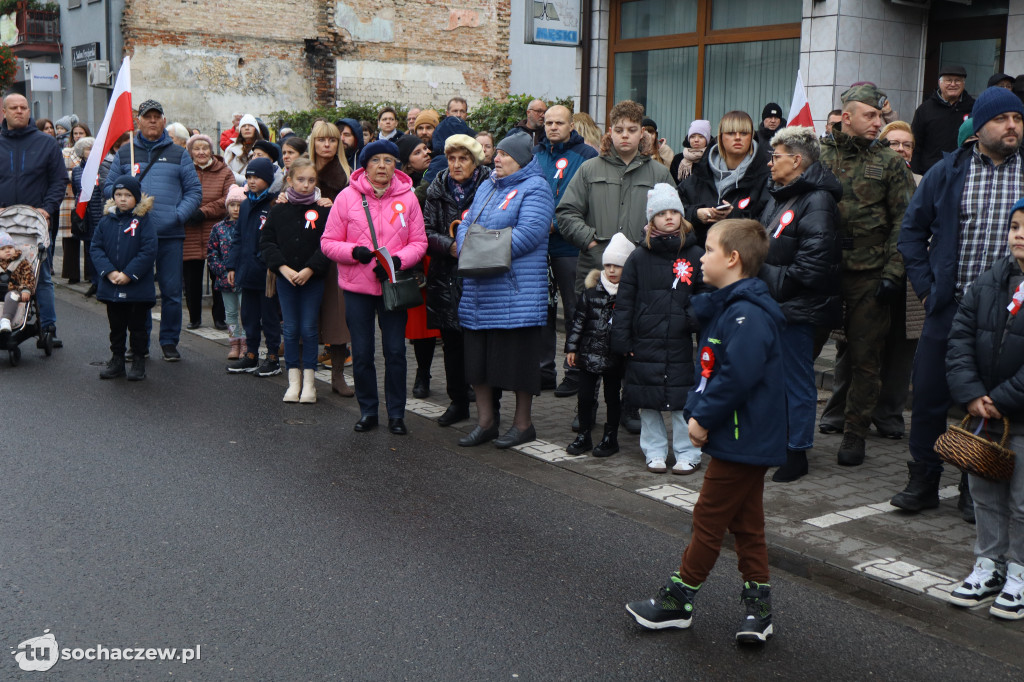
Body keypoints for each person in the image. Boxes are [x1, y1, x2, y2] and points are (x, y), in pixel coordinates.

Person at [625, 218, 785, 644]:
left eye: (709, 250)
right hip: (740, 434)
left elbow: (736, 377)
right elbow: (708, 373)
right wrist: (698, 409)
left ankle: (678, 600)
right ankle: (759, 610)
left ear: (732, 259)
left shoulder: (747, 315)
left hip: (743, 434)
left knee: (708, 517)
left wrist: (701, 419)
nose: (701, 257)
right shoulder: (729, 309)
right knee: (747, 524)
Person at [893, 86, 1024, 514]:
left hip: (1010, 314)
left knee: (992, 398)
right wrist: (928, 288)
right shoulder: (947, 172)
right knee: (930, 394)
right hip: (948, 307)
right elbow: (912, 233)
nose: (1012, 126)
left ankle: (976, 485)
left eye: (1018, 119)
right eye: (1003, 119)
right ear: (979, 126)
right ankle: (924, 480)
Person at [819, 84, 915, 466]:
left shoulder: (890, 162)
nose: (879, 123)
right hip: (821, 271)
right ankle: (791, 430)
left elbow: (905, 222)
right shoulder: (818, 154)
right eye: (871, 116)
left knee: (865, 358)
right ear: (847, 117)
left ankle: (854, 434)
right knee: (799, 351)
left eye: (881, 116)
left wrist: (893, 273)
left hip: (869, 274)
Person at [945, 197, 1024, 619]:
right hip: (984, 414)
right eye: (1015, 226)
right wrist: (972, 393)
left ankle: (1020, 572)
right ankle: (988, 565)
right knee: (985, 495)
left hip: (1017, 416)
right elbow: (959, 337)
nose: (1020, 234)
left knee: (1022, 502)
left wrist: (1002, 399)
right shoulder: (990, 279)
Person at [320, 139, 427, 434]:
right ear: (365, 165)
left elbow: (419, 243)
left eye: (389, 160)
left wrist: (397, 260)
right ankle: (368, 411)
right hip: (357, 288)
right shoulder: (346, 198)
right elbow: (328, 243)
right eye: (376, 160)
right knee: (364, 353)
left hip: (393, 285)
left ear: (397, 166)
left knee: (395, 352)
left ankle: (396, 415)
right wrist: (353, 252)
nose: (382, 166)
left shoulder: (409, 198)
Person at [454, 133, 554, 448]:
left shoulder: (536, 188)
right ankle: (486, 424)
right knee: (478, 363)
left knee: (518, 366)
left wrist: (478, 246)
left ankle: (523, 425)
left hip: (516, 295)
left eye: (504, 155)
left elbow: (529, 233)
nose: (496, 159)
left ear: (522, 159)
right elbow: (465, 226)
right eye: (496, 153)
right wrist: (470, 242)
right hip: (479, 294)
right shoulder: (487, 185)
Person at [756, 126, 842, 482]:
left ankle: (797, 451)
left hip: (797, 307)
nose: (770, 163)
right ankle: (780, 441)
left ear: (797, 160)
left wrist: (767, 280)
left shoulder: (817, 199)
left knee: (797, 382)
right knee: (776, 380)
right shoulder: (782, 195)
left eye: (776, 157)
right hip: (777, 304)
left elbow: (813, 264)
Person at [611, 184, 706, 473]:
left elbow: (705, 294)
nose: (668, 218)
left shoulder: (694, 254)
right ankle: (654, 451)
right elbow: (625, 300)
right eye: (661, 213)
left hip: (679, 341)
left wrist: (691, 317)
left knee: (681, 402)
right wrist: (622, 338)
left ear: (682, 216)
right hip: (645, 341)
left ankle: (687, 453)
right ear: (651, 220)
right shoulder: (639, 257)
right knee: (649, 402)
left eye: (673, 212)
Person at [104, 99, 203, 362]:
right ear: (138, 120)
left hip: (170, 235)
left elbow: (194, 191)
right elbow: (108, 187)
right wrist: (124, 203)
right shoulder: (126, 153)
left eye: (156, 117)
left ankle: (169, 341)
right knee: (140, 291)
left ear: (163, 121)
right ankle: (139, 344)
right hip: (134, 235)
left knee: (171, 292)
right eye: (146, 116)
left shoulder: (179, 153)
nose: (151, 121)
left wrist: (178, 215)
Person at [557, 100, 675, 292]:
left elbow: (675, 220)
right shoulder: (589, 169)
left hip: (643, 267)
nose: (625, 135)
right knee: (589, 321)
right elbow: (566, 213)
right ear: (611, 132)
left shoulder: (659, 174)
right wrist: (591, 243)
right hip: (595, 267)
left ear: (642, 132)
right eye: (619, 130)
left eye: (632, 129)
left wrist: (650, 246)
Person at [422, 133, 491, 426]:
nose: (456, 164)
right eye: (452, 158)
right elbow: (424, 230)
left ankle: (488, 410)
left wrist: (470, 245)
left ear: (474, 162)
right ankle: (457, 401)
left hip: (479, 275)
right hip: (445, 274)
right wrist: (449, 245)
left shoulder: (490, 187)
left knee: (480, 344)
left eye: (463, 158)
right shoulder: (436, 188)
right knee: (451, 343)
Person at [534, 103, 598, 396]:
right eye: (548, 123)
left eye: (559, 122)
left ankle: (575, 371)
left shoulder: (587, 156)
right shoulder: (535, 155)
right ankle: (545, 370)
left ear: (572, 125)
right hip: (539, 247)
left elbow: (588, 203)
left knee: (575, 311)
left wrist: (557, 225)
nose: (553, 127)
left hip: (571, 248)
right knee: (544, 310)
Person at [0, 93, 73, 349]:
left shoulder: (46, 143)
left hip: (35, 222)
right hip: (2, 223)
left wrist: (48, 209)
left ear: (29, 111)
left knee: (39, 274)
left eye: (23, 107)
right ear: (5, 112)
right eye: (14, 108)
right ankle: (5, 320)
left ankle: (48, 326)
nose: (19, 111)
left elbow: (58, 180)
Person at [260, 158, 330, 403]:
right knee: (289, 329)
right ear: (289, 180)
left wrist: (311, 268)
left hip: (313, 279)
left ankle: (310, 383)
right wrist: (283, 268)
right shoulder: (278, 208)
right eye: (300, 180)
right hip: (286, 279)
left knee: (309, 328)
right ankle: (293, 382)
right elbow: (267, 242)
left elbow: (327, 244)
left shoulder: (323, 209)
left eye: (311, 180)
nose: (306, 185)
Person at [565, 232, 634, 457]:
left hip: (614, 357)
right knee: (585, 397)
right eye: (608, 265)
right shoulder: (591, 291)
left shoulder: (629, 295)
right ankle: (583, 435)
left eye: (618, 266)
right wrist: (572, 348)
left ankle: (610, 437)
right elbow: (579, 322)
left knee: (613, 398)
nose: (612, 270)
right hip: (588, 354)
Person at [90, 175, 158, 381]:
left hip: (136, 286)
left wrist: (129, 274)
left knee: (137, 327)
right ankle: (117, 359)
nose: (122, 199)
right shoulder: (106, 221)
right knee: (116, 325)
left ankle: (138, 360)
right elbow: (96, 248)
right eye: (118, 195)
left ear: (136, 198)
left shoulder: (144, 222)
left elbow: (148, 251)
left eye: (128, 195)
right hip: (112, 283)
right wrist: (109, 271)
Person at [224, 158, 283, 377]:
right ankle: (250, 355)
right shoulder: (246, 202)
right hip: (246, 270)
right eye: (249, 177)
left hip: (266, 273)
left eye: (256, 177)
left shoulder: (275, 204)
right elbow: (238, 237)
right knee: (248, 315)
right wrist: (232, 265)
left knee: (269, 317)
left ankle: (273, 358)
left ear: (268, 179)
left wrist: (266, 260)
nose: (252, 181)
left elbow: (276, 239)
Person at [680, 110, 771, 248]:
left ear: (752, 136)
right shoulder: (701, 174)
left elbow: (768, 224)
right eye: (731, 133)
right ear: (721, 136)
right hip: (700, 260)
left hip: (743, 259)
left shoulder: (766, 177)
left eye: (744, 133)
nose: (738, 137)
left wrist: (734, 215)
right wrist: (696, 214)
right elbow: (673, 210)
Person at [396, 132, 439, 397]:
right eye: (418, 151)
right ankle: (423, 373)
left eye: (426, 149)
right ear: (406, 162)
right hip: (412, 256)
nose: (426, 153)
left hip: (434, 250)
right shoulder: (400, 185)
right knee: (421, 323)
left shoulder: (435, 177)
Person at [183, 133, 233, 330]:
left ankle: (220, 318)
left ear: (211, 150)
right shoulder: (185, 170)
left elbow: (228, 199)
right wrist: (188, 211)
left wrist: (203, 212)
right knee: (191, 279)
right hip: (190, 229)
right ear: (191, 152)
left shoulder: (224, 171)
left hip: (216, 232)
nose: (201, 152)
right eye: (196, 148)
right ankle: (194, 317)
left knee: (219, 278)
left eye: (205, 148)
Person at [911, 64, 975, 175]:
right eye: (948, 81)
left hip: (964, 171)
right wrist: (916, 173)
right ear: (940, 83)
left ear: (963, 84)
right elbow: (916, 144)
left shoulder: (973, 107)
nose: (953, 84)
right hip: (931, 171)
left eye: (958, 81)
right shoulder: (925, 110)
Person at [208, 185, 246, 359]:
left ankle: (246, 343)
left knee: (245, 311)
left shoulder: (247, 226)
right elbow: (212, 252)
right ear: (227, 206)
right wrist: (221, 270)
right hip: (225, 279)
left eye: (239, 205)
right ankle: (234, 343)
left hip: (244, 277)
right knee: (230, 313)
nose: (236, 209)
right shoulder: (218, 228)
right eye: (232, 205)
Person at [69, 136, 99, 290]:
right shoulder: (77, 170)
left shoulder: (101, 167)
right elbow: (77, 191)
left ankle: (101, 281)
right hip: (85, 215)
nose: (91, 151)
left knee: (100, 247)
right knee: (89, 248)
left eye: (93, 148)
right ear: (81, 152)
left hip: (99, 212)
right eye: (88, 149)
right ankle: (94, 281)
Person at [59, 125, 86, 284]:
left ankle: (90, 274)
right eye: (75, 133)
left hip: (88, 198)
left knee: (90, 237)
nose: (78, 136)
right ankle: (71, 274)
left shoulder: (94, 151)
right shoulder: (66, 153)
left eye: (81, 133)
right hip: (69, 198)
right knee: (70, 239)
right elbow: (60, 173)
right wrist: (77, 174)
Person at [0, 229, 35, 334]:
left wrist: (26, 289)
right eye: (3, 249)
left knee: (12, 296)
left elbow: (28, 277)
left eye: (10, 248)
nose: (7, 251)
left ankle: (5, 320)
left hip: (15, 291)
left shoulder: (22, 262)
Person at [223, 114, 262, 183]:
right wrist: (243, 180)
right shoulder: (231, 149)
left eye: (250, 125)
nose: (247, 128)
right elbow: (226, 170)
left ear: (255, 129)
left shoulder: (265, 148)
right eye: (243, 126)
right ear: (240, 129)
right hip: (235, 189)